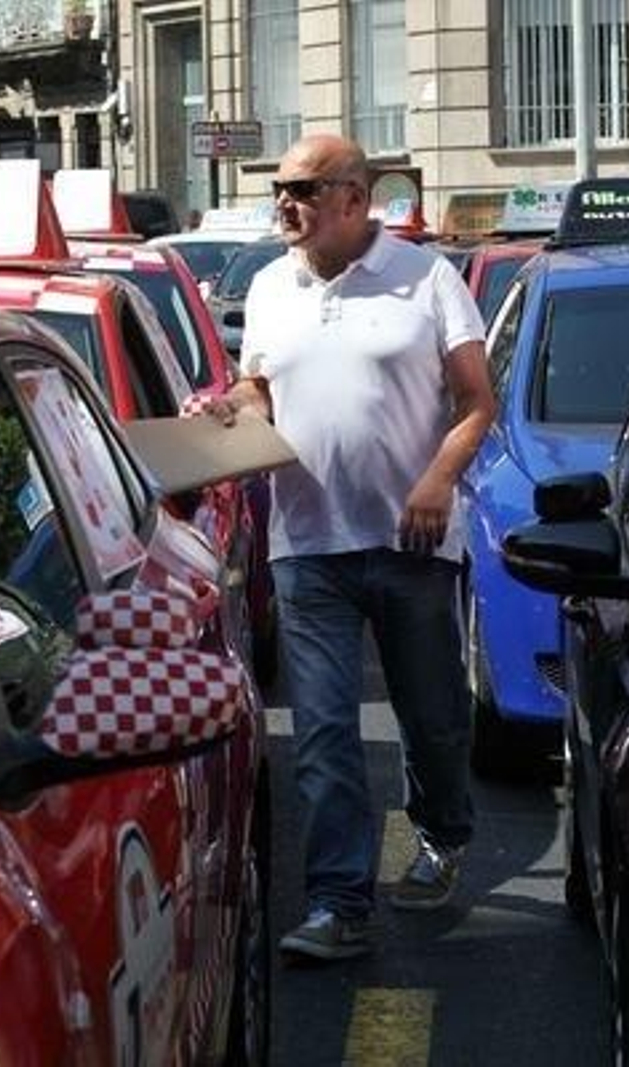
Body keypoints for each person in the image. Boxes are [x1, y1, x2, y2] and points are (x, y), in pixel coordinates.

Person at [195, 133, 495, 961]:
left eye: (303, 189)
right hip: (307, 544)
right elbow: (261, 386)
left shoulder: (426, 278)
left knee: (432, 721)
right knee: (323, 732)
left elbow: (477, 401)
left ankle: (443, 832)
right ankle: (339, 902)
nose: (285, 204)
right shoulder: (267, 286)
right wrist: (233, 408)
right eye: (280, 191)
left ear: (355, 197)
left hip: (412, 541)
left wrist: (436, 480)